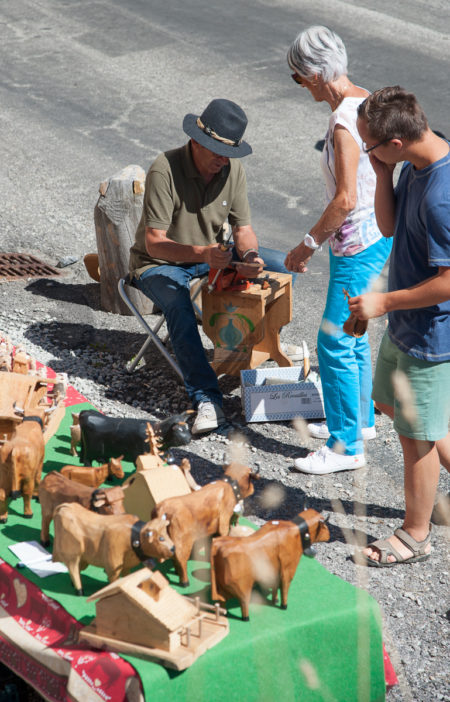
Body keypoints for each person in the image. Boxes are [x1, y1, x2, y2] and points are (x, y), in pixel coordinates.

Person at [129, 98, 295, 435]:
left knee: (280, 266)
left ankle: (260, 349)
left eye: (229, 154)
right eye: (216, 151)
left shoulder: (231, 169)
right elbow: (153, 242)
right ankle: (207, 399)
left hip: (212, 255)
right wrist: (203, 254)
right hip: (159, 262)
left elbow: (243, 230)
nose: (223, 160)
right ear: (196, 141)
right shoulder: (165, 167)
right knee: (177, 304)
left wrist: (250, 258)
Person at [348, 86, 450, 566]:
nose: (365, 151)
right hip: (407, 323)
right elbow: (389, 230)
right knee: (388, 402)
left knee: (415, 438)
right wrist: (382, 173)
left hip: (431, 335)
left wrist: (384, 302)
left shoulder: (441, 197)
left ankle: (416, 533)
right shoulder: (412, 167)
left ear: (395, 140)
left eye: (369, 146)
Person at [285, 25, 392, 474]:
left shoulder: (344, 121)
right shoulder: (364, 101)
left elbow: (345, 198)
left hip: (356, 243)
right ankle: (361, 420)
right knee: (354, 334)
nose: (299, 86)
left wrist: (306, 245)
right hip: (376, 237)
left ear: (314, 74)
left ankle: (344, 446)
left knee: (332, 341)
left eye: (298, 77)